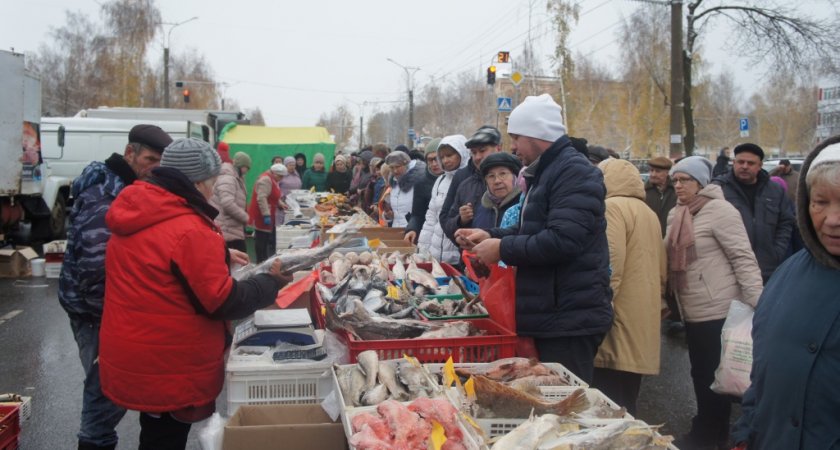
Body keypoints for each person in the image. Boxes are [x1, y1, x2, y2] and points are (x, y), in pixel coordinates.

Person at [99, 138, 293, 450]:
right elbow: (224, 301)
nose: (215, 187)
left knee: (155, 431)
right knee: (164, 440)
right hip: (168, 360)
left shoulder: (143, 206)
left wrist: (218, 255)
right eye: (214, 180)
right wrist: (271, 282)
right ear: (199, 180)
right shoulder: (188, 228)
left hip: (138, 349)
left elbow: (160, 261)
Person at [455, 94, 613, 383]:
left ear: (537, 135)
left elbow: (563, 240)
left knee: (565, 405)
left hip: (570, 318)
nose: (513, 147)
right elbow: (533, 230)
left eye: (516, 138)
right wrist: (489, 235)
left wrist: (502, 248)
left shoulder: (573, 172)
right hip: (551, 312)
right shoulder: (546, 172)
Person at [59, 124, 171, 450]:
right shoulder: (106, 195)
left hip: (105, 312)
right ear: (129, 154)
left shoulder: (128, 186)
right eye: (150, 158)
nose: (155, 167)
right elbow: (96, 268)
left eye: (160, 162)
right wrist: (116, 320)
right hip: (97, 315)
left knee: (108, 398)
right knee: (103, 401)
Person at [731, 136, 840, 450]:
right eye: (820, 202)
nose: (832, 220)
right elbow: (763, 371)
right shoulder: (790, 272)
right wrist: (746, 433)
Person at [665, 156, 763, 449]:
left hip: (718, 307)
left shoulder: (720, 210)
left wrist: (759, 304)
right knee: (702, 372)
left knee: (716, 375)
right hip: (690, 307)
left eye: (685, 180)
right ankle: (714, 430)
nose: (679, 185)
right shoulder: (676, 214)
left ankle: (711, 433)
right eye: (675, 180)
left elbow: (742, 257)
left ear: (701, 182)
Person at [593, 159, 665, 416]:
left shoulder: (611, 207)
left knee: (610, 396)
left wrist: (602, 305)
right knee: (629, 392)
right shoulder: (647, 211)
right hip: (642, 310)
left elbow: (611, 262)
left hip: (619, 311)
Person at [714, 143, 795, 283]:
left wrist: (776, 252)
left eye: (750, 163)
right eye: (740, 162)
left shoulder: (775, 190)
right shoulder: (718, 189)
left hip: (767, 270)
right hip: (729, 272)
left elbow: (786, 222)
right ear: (733, 163)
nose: (745, 166)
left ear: (760, 165)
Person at [440, 126, 502, 245]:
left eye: (483, 151)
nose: (478, 157)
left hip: (504, 258)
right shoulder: (464, 181)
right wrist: (461, 221)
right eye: (474, 152)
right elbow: (446, 220)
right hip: (469, 258)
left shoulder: (516, 178)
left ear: (499, 148)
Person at [414, 135, 469, 264]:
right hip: (436, 255)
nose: (445, 160)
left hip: (457, 258)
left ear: (462, 153)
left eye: (450, 155)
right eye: (442, 157)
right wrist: (423, 250)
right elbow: (431, 218)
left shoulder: (468, 181)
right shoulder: (440, 181)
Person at [644, 155, 682, 333]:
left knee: (672, 277)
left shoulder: (675, 192)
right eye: (651, 170)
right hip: (650, 243)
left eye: (658, 171)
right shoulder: (645, 192)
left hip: (671, 241)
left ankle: (675, 316)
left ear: (667, 173)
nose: (653, 174)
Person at [211, 151, 251, 252]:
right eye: (246, 167)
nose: (247, 170)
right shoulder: (228, 179)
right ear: (240, 166)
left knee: (238, 263)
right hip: (227, 229)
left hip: (231, 228)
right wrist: (245, 217)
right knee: (239, 263)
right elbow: (227, 203)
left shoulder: (235, 178)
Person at [404, 138, 442, 244]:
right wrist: (412, 229)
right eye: (430, 160)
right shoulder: (421, 182)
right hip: (429, 237)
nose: (434, 163)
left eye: (437, 159)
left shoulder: (456, 179)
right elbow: (417, 214)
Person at [248, 163, 288, 262]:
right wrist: (266, 215)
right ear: (274, 173)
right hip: (261, 215)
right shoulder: (265, 180)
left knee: (265, 239)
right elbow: (261, 198)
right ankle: (260, 262)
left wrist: (280, 203)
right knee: (261, 240)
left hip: (268, 212)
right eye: (280, 176)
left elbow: (272, 195)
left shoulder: (272, 179)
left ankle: (264, 261)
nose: (281, 179)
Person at [471, 152, 523, 229]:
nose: (497, 181)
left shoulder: (523, 205)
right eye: (491, 176)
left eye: (502, 174)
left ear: (516, 177)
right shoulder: (482, 208)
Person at [384, 150, 426, 228]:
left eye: (398, 167)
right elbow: (396, 214)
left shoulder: (418, 182)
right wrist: (389, 216)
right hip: (396, 231)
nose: (395, 171)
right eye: (392, 167)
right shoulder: (394, 184)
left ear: (407, 165)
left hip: (413, 231)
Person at [276, 156, 302, 225]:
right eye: (290, 165)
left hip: (295, 203)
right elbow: (276, 187)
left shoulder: (296, 175)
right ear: (285, 165)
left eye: (294, 165)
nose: (292, 167)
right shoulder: (281, 175)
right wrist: (282, 196)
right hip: (283, 203)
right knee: (281, 223)